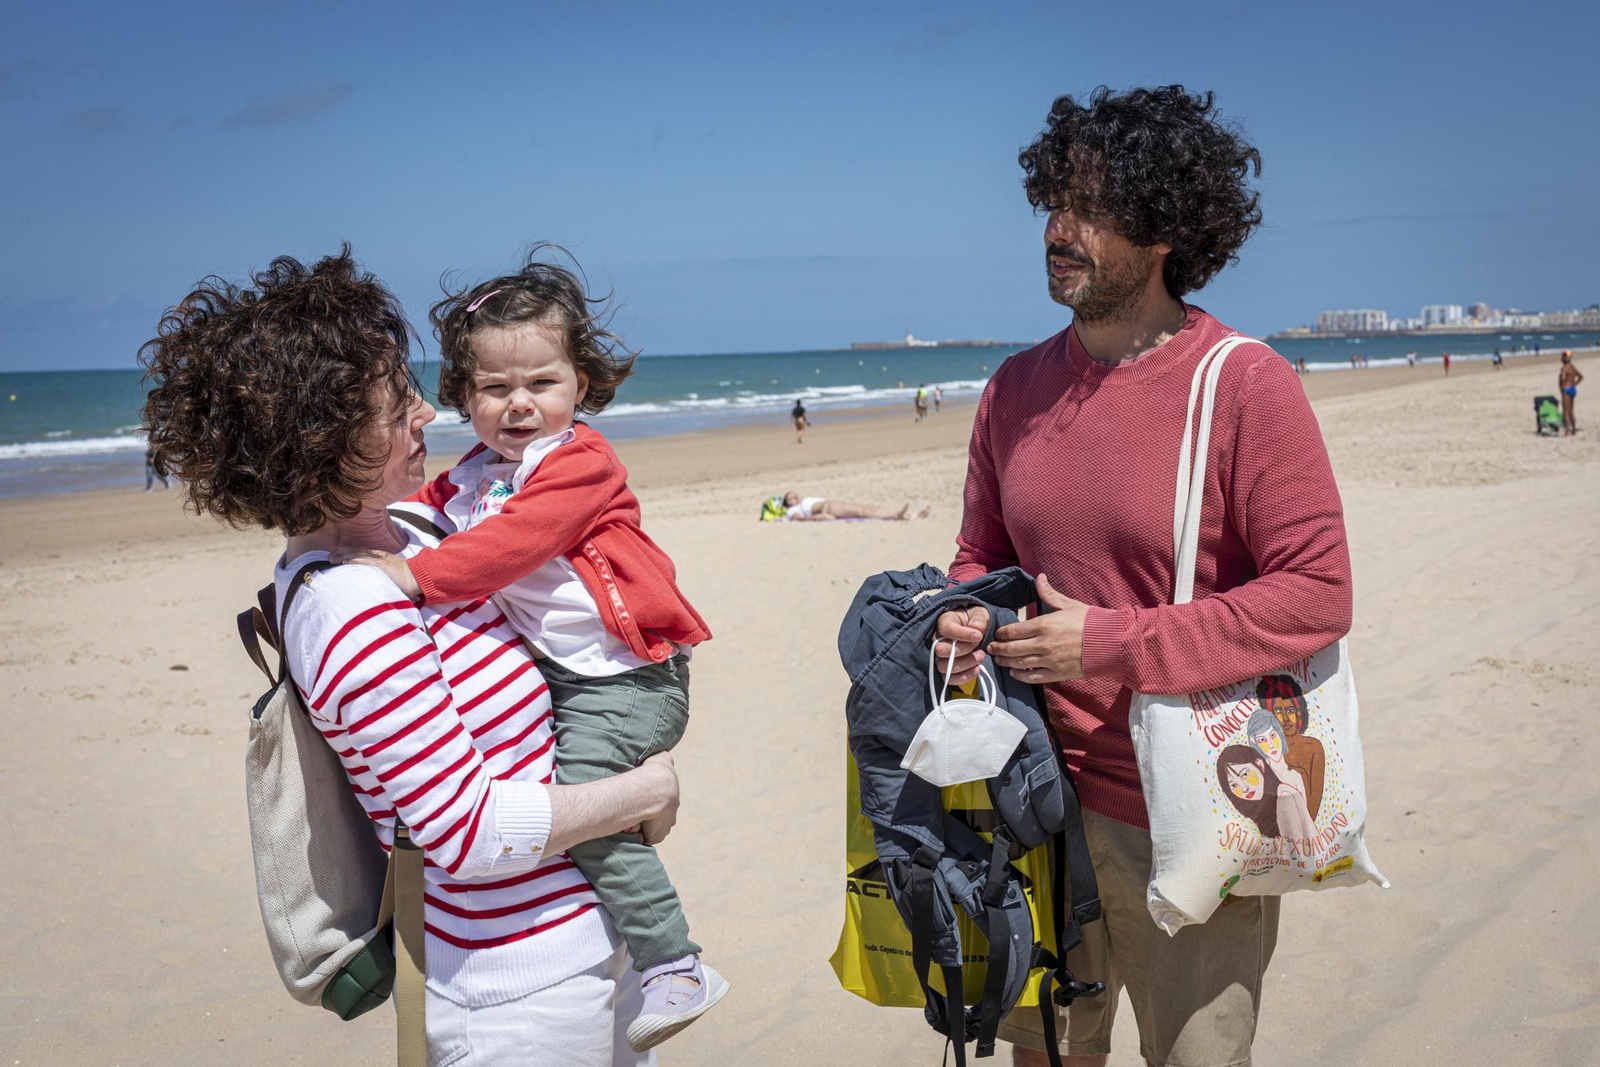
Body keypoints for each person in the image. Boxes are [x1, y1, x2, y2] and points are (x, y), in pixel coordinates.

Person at [139, 247, 685, 1065]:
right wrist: (643, 788)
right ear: (328, 438)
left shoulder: (425, 531)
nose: (430, 414)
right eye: (399, 406)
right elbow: (465, 832)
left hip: (592, 948)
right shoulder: (348, 604)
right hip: (519, 992)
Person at [934, 86, 1352, 1067]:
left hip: (1193, 806)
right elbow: (979, 561)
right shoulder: (1012, 387)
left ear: (1164, 230)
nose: (1058, 230)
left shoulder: (1246, 382)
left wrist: (1115, 643)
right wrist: (959, 618)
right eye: (1054, 202)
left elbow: (1316, 591)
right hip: (1028, 800)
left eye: (1092, 208)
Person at [331, 247, 727, 1052]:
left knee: (590, 806)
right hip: (569, 673)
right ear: (463, 396)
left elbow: (511, 543)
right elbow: (424, 505)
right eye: (493, 388)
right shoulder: (479, 471)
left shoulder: (577, 462)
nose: (519, 405)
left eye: (541, 383)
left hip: (627, 676)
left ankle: (674, 960)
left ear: (581, 383)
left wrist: (413, 578)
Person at [1246, 709, 1318, 848]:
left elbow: (1306, 820)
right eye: (1262, 740)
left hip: (1306, 848)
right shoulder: (1261, 778)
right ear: (1254, 741)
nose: (1271, 744)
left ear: (1279, 733)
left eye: (1272, 735)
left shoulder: (1298, 774)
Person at [1258, 675, 1324, 818]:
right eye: (1278, 711)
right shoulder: (1271, 754)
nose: (1285, 718)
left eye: (1289, 710)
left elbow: (1313, 807)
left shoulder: (1314, 747)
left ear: (1298, 713)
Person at [776, 490, 929, 521]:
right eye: (789, 498)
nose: (793, 496)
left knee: (869, 508)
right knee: (862, 512)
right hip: (828, 508)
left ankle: (909, 516)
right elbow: (801, 518)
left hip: (832, 504)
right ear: (787, 503)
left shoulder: (802, 500)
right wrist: (821, 516)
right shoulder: (792, 510)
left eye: (793, 494)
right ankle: (896, 515)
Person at [1560, 351, 1583, 434]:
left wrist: (1562, 381)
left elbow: (1563, 377)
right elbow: (1581, 377)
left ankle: (1567, 431)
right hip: (1573, 389)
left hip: (1566, 389)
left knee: (1565, 411)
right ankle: (1574, 429)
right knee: (1571, 411)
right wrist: (1575, 384)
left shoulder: (1564, 367)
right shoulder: (1572, 367)